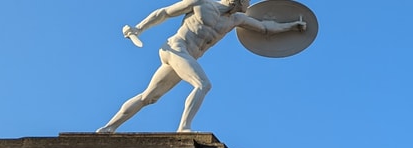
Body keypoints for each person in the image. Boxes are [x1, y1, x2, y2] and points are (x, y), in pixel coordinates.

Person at [98, 0, 307, 133]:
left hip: (187, 56)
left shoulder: (236, 19)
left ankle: (108, 129)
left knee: (148, 97)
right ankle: (184, 128)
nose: (245, 3)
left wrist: (292, 26)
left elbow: (264, 28)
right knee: (203, 85)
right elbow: (164, 13)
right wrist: (139, 28)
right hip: (174, 49)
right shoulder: (201, 3)